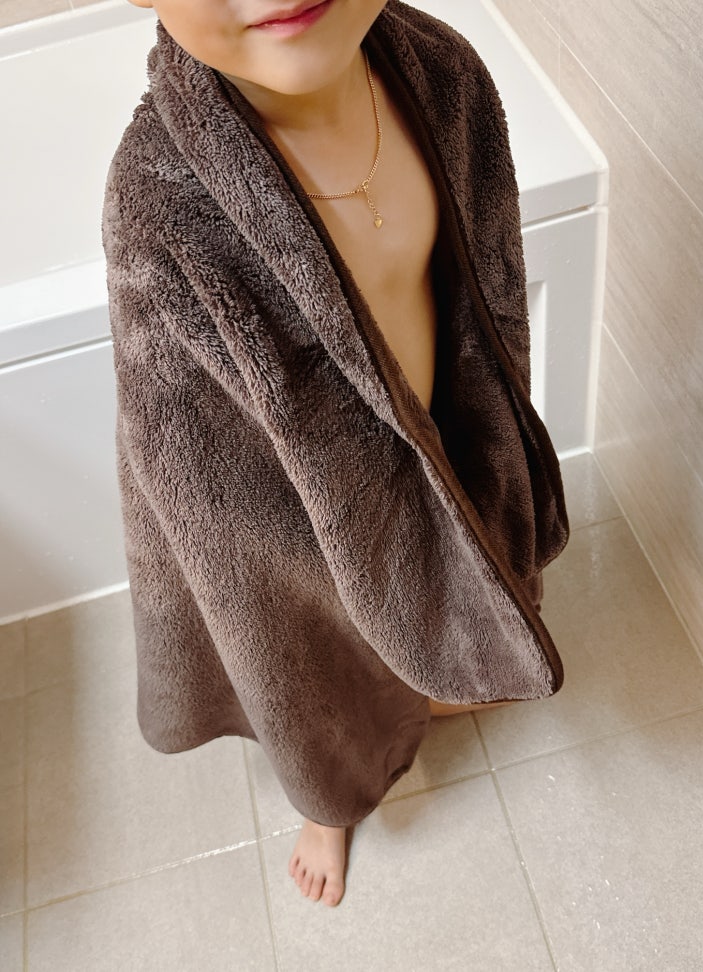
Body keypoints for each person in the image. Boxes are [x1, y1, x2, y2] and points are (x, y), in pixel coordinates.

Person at [107, 0, 567, 910]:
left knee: (440, 580)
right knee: (321, 666)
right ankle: (328, 803)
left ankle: (439, 655)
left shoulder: (438, 68)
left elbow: (489, 286)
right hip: (299, 504)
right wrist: (290, 596)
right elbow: (194, 472)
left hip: (440, 422)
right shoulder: (161, 210)